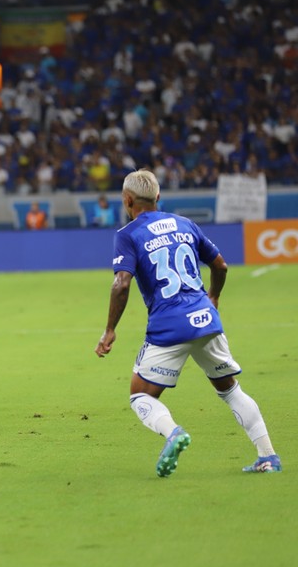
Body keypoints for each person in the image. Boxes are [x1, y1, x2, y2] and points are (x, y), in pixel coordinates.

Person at [94, 169, 280, 477]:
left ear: (127, 200)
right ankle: (268, 456)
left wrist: (110, 328)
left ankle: (173, 433)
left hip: (169, 326)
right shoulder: (185, 224)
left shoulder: (127, 235)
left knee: (140, 395)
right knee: (231, 390)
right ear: (158, 198)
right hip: (206, 318)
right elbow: (220, 265)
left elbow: (120, 284)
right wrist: (214, 297)